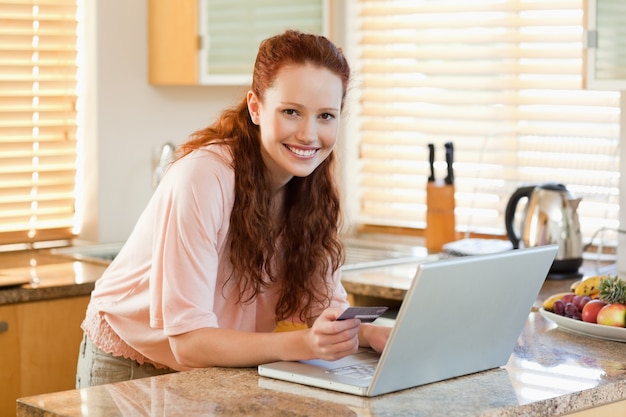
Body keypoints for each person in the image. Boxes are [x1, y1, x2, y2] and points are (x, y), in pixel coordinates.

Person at [76, 29, 391, 388]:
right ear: (256, 107)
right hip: (131, 364)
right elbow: (190, 342)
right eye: (291, 111)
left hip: (216, 368)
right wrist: (304, 343)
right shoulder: (204, 177)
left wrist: (371, 335)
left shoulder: (313, 187)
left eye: (325, 116)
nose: (309, 134)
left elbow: (322, 311)